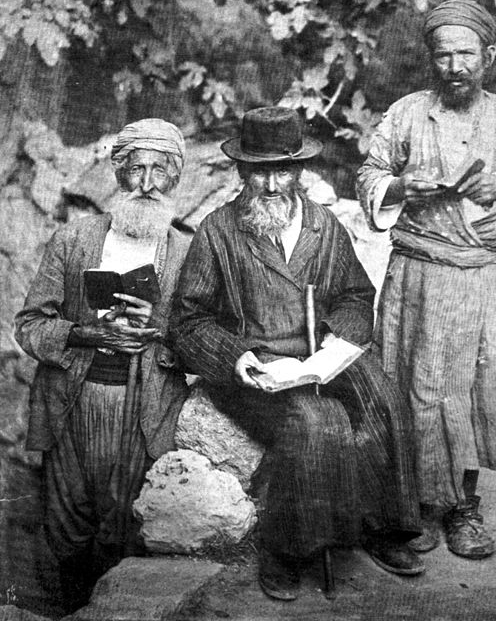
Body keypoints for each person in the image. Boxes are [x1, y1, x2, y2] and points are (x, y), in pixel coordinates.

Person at [170, 106, 423, 602]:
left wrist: (335, 345)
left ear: (299, 171)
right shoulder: (219, 231)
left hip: (318, 351)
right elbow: (189, 320)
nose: (271, 185)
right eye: (260, 171)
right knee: (316, 422)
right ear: (243, 172)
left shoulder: (322, 225)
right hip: (259, 369)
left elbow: (354, 294)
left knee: (384, 398)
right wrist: (236, 358)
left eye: (282, 170)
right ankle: (287, 550)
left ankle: (384, 527)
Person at [357, 0, 496, 560]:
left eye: (466, 54)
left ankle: (464, 508)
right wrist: (399, 189)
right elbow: (369, 173)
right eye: (443, 56)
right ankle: (413, 506)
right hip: (418, 272)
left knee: (473, 390)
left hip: (480, 277)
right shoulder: (406, 113)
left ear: (489, 54)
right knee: (412, 384)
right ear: (430, 58)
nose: (455, 67)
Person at [15, 118, 190, 613]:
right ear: (118, 173)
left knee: (126, 529)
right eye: (136, 168)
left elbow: (201, 341)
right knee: (64, 528)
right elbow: (29, 325)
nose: (148, 184)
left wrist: (156, 330)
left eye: (161, 170)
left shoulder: (187, 252)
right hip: (72, 403)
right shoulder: (76, 240)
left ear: (176, 177)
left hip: (145, 408)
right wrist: (84, 333)